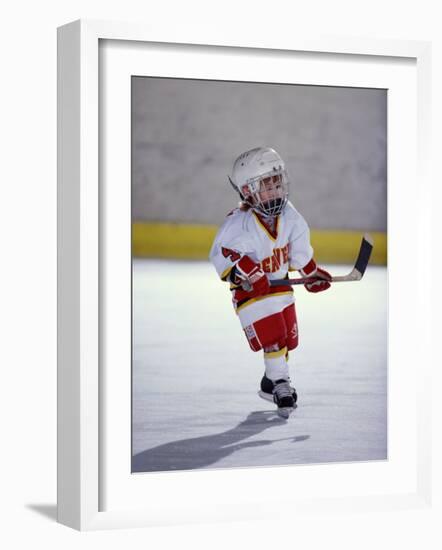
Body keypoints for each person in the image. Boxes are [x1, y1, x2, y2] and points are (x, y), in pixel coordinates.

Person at [209, 147, 332, 418]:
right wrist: (248, 272)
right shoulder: (239, 223)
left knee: (287, 337)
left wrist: (310, 274)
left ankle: (270, 381)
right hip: (251, 294)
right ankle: (280, 383)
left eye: (277, 182)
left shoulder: (289, 215)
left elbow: (299, 249)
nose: (275, 189)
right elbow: (221, 253)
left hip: (281, 288)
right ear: (247, 191)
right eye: (267, 185)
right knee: (274, 336)